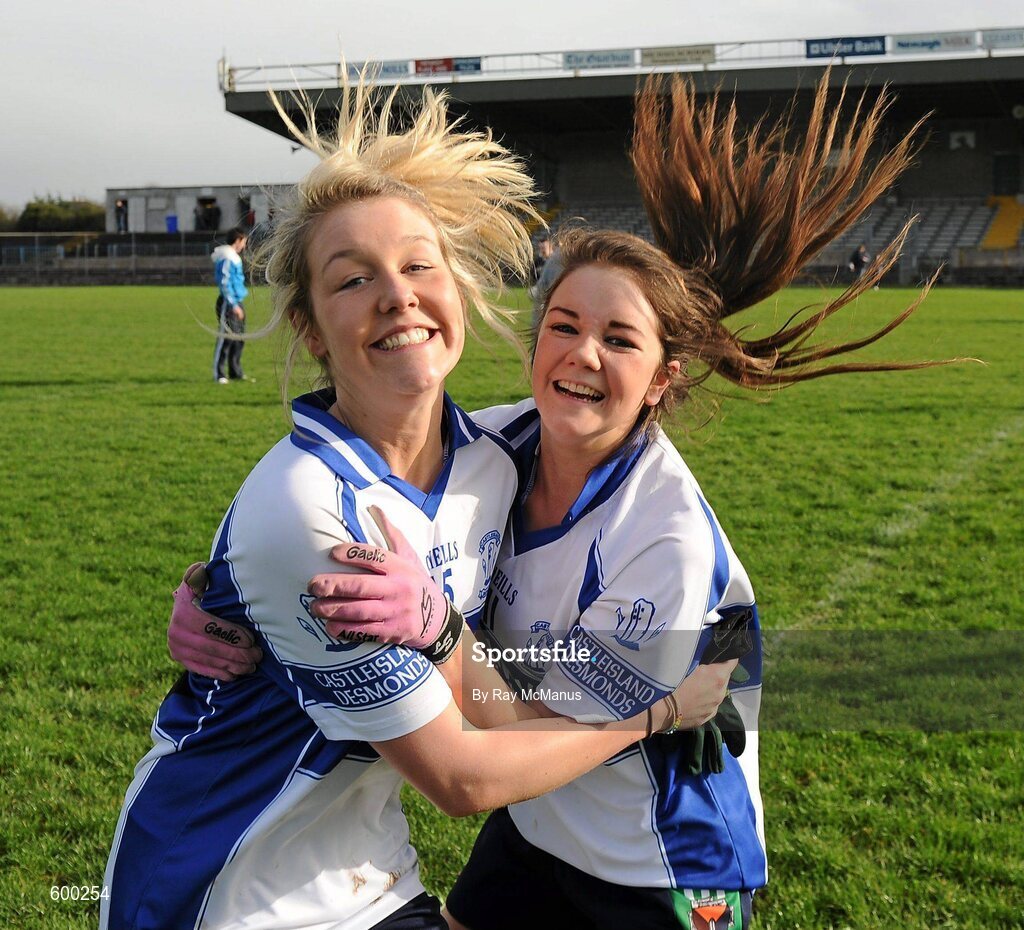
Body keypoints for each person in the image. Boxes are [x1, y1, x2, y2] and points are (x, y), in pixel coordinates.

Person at [171, 74, 944, 929]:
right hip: (537, 827)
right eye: (566, 324)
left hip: (660, 862)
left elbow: (517, 725)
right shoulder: (493, 445)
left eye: (620, 340)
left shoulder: (667, 545)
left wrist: (439, 633)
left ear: (662, 380)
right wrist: (233, 602)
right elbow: (351, 511)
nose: (582, 355)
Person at [102, 81, 733, 930]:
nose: (396, 295)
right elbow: (462, 778)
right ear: (310, 329)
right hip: (225, 888)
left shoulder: (500, 463)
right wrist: (659, 711)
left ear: (458, 290)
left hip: (399, 871)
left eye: (417, 266)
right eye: (353, 279)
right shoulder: (323, 510)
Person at [211, 227, 249, 383]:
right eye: (244, 242)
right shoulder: (227, 257)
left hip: (237, 300)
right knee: (226, 337)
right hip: (229, 302)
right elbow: (225, 282)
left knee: (239, 337)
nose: (244, 246)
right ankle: (219, 373)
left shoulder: (233, 257)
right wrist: (233, 304)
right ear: (238, 240)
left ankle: (235, 372)